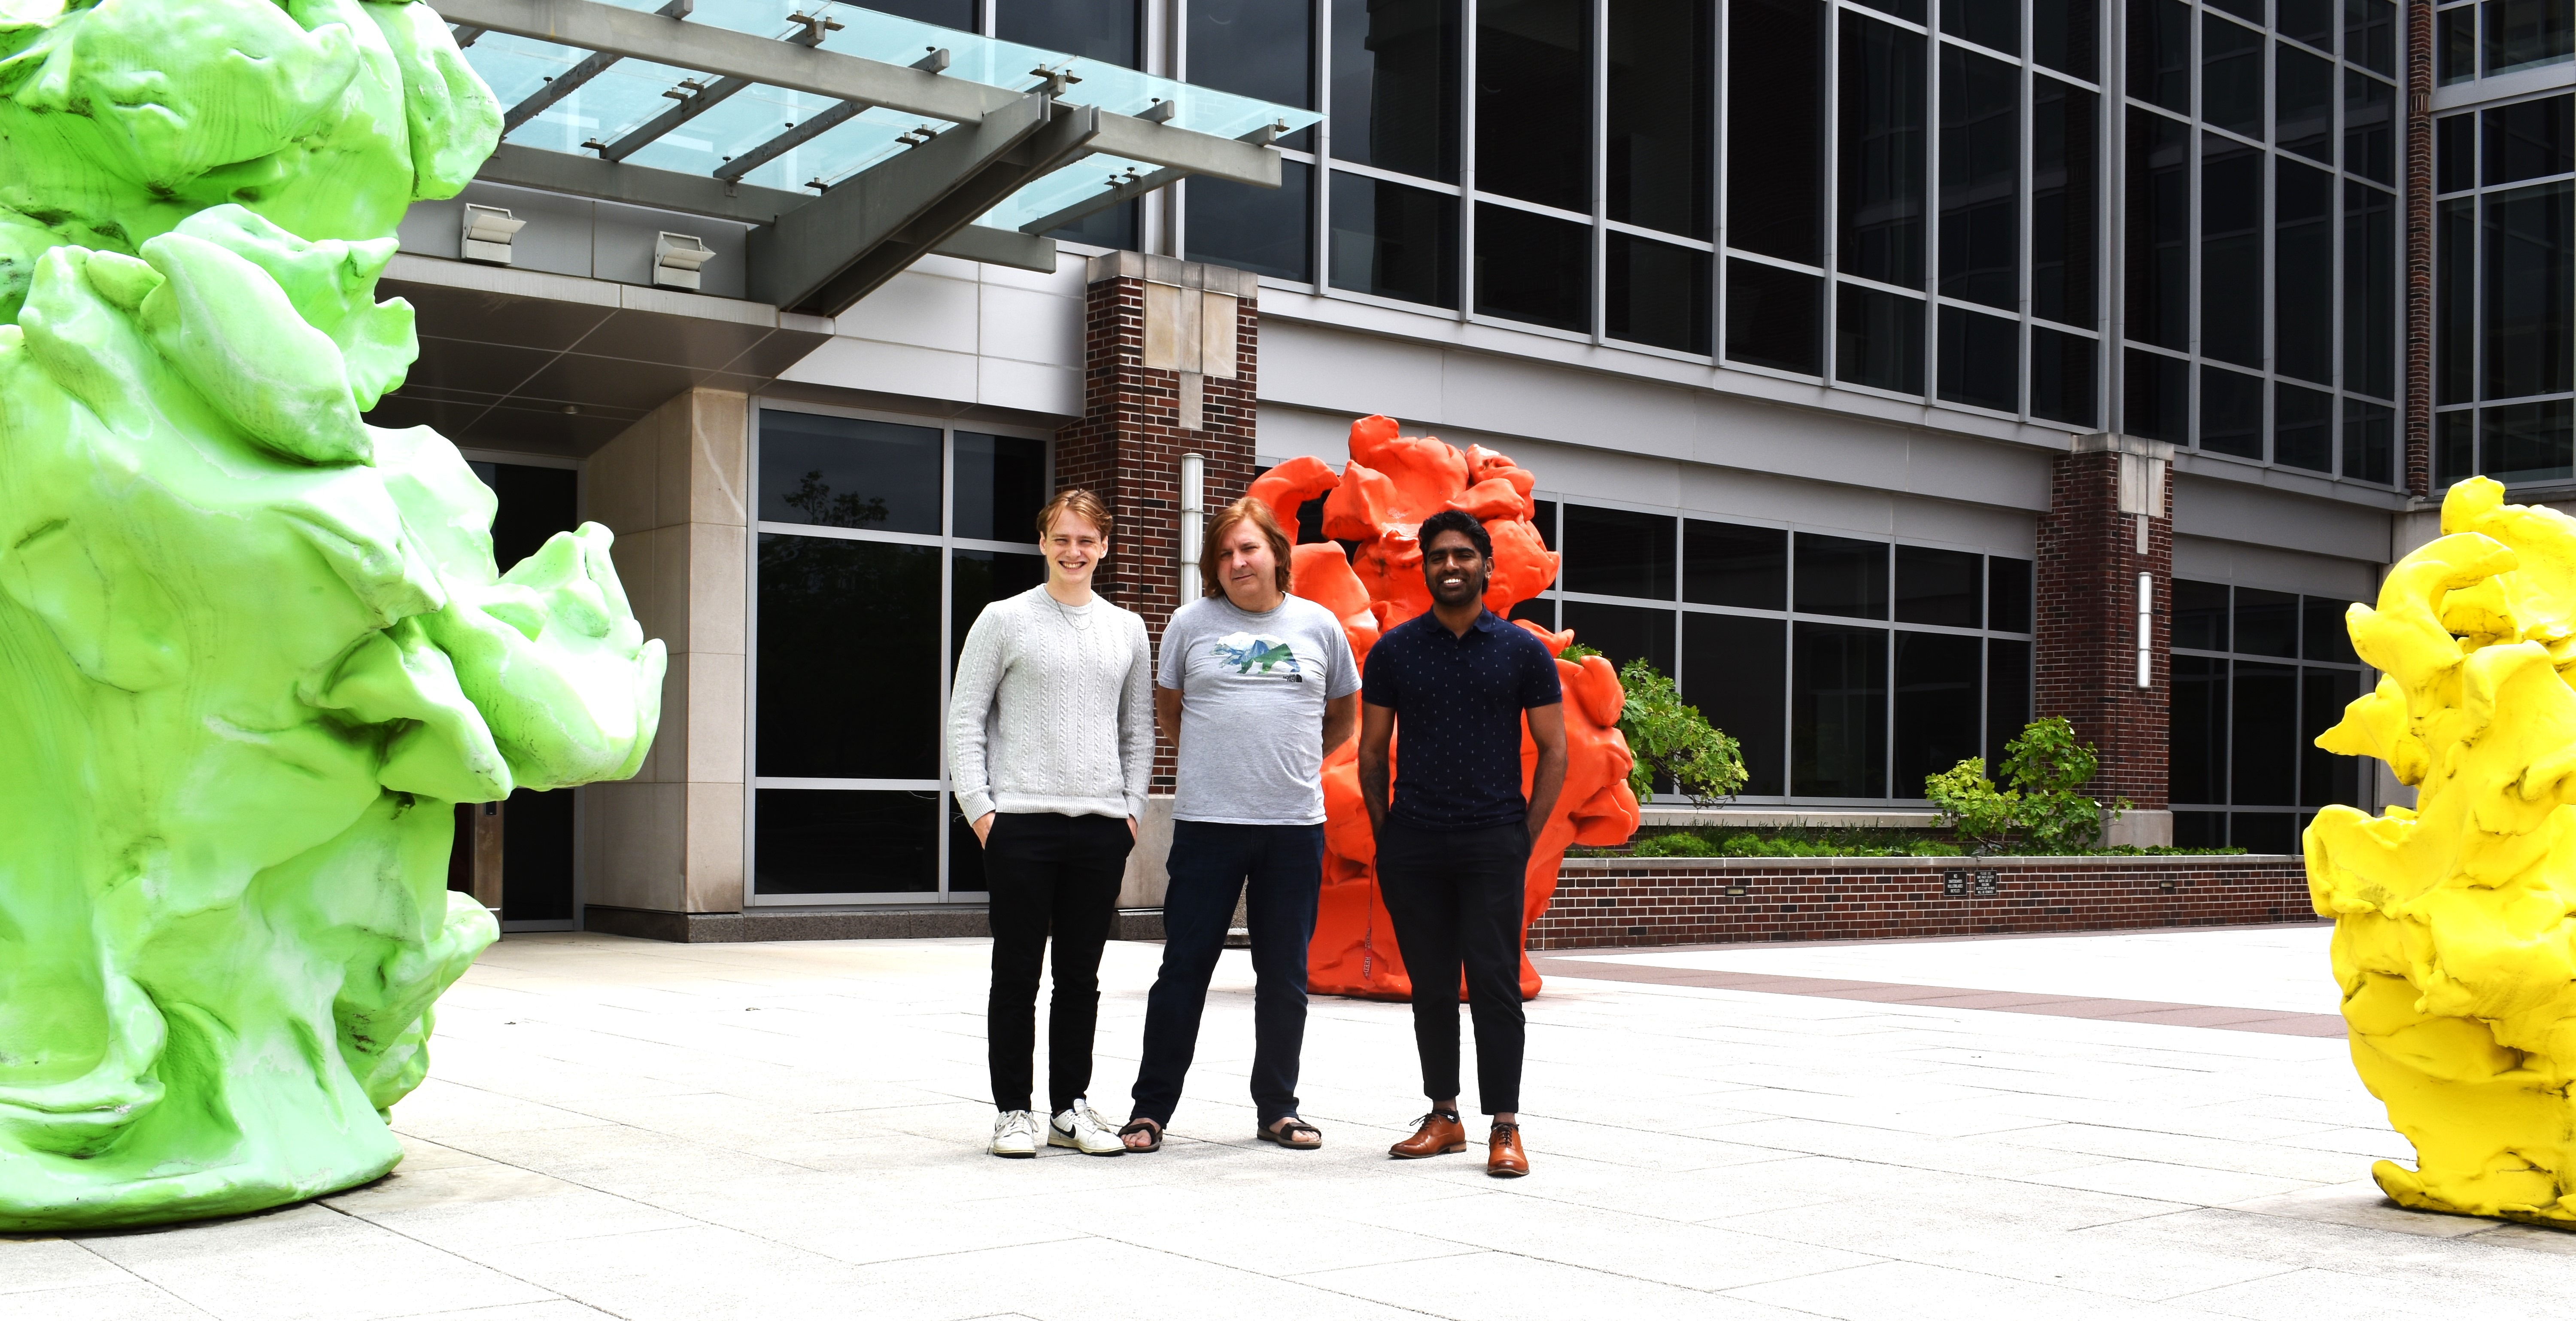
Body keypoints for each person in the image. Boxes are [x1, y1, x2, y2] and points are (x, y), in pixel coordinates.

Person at [1120, 498, 1361, 1154]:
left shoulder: (1318, 626)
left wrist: (1295, 763)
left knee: (1284, 975)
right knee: (1183, 969)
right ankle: (1151, 1109)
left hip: (1293, 828)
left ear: (1277, 554)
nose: (1236, 562)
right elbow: (1171, 714)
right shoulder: (1188, 624)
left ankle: (1278, 1109)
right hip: (1208, 826)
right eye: (1224, 554)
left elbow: (1343, 716)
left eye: (1248, 549)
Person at [1357, 508, 1567, 1178]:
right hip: (1415, 842)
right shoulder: (1395, 650)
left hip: (1491, 843)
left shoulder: (1522, 651)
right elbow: (1370, 753)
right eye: (1438, 556)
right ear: (1426, 566)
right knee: (1430, 987)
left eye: (1463, 556)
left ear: (1486, 565)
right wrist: (1389, 834)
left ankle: (1505, 1126)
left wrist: (1520, 838)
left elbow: (1555, 751)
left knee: (1496, 985)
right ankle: (1443, 1117)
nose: (1450, 566)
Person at [948, 488, 1152, 1160]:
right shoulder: (1002, 619)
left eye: (1086, 540)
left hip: (1099, 826)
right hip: (1020, 825)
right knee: (1016, 974)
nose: (1074, 551)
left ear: (1104, 547)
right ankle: (1013, 1111)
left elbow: (1138, 728)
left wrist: (1132, 811)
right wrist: (981, 810)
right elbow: (965, 718)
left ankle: (1069, 1109)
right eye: (1062, 539)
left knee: (1081, 977)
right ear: (1043, 543)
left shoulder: (1127, 629)